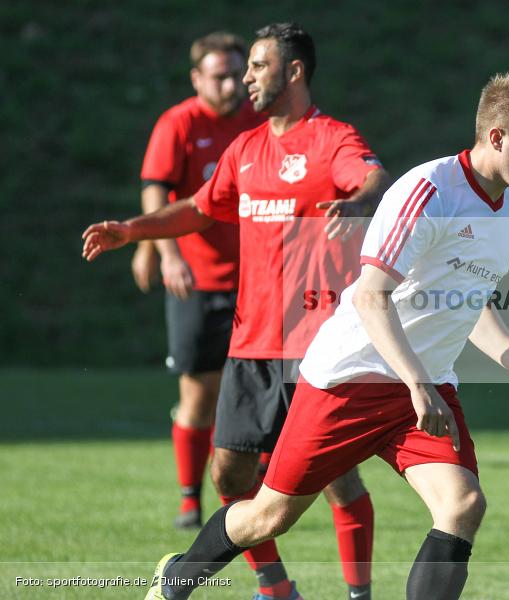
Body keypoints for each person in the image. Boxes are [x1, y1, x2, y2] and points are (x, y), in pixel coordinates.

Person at [126, 66, 509, 600]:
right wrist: (417, 384)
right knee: (270, 515)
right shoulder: (428, 192)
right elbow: (368, 295)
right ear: (496, 137)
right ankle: (176, 577)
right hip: (349, 381)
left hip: (420, 390)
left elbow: (469, 303)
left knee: (463, 504)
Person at [83, 22, 390, 600]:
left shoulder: (331, 138)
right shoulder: (246, 148)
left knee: (337, 480)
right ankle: (273, 586)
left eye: (257, 66)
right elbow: (201, 208)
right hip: (251, 345)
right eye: (244, 67)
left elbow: (373, 177)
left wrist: (358, 202)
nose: (246, 78)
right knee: (229, 472)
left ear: (293, 71)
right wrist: (133, 230)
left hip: (317, 344)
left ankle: (359, 594)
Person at [132, 31, 265, 532]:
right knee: (200, 393)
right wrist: (165, 253)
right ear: (197, 78)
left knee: (263, 391)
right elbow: (156, 193)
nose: (232, 84)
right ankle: (191, 499)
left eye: (237, 73)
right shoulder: (179, 123)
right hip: (198, 282)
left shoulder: (258, 121)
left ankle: (255, 494)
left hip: (258, 285)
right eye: (220, 75)